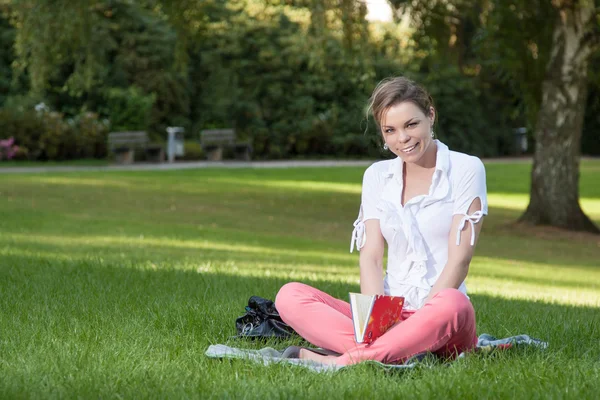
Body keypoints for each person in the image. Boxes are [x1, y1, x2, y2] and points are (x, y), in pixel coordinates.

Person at [275, 77, 488, 366]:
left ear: (431, 116)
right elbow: (372, 258)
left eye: (411, 125)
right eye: (390, 130)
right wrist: (376, 323)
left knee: (454, 304)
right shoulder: (376, 176)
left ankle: (341, 362)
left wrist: (420, 324)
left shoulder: (466, 168)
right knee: (290, 296)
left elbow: (459, 259)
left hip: (441, 316)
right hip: (387, 314)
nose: (403, 138)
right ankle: (389, 351)